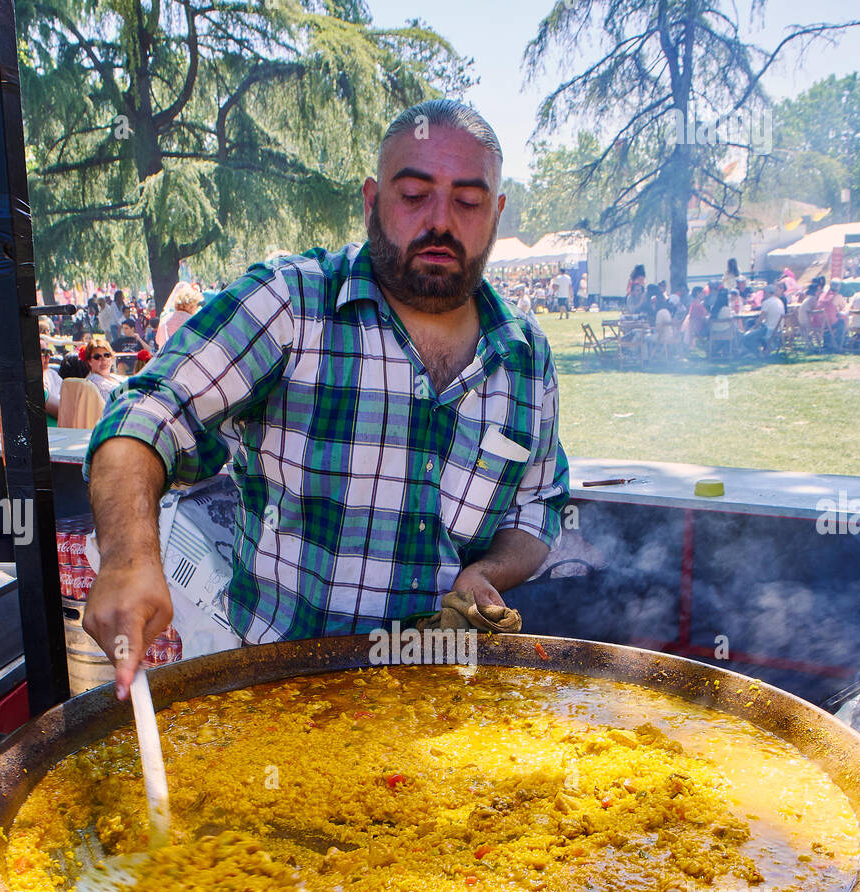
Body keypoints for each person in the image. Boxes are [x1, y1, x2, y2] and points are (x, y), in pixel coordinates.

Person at [82, 98, 570, 700]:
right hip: (280, 696)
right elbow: (148, 410)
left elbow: (536, 509)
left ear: (495, 213)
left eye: (468, 202)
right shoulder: (291, 303)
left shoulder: (526, 355)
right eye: (414, 195)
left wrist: (486, 573)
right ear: (371, 201)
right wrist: (127, 556)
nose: (441, 221)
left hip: (442, 704)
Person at [739, 282, 785, 356]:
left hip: (769, 329)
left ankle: (757, 353)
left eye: (764, 292)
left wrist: (752, 329)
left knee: (746, 337)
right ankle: (759, 350)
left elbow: (760, 319)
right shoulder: (779, 301)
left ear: (768, 293)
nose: (763, 294)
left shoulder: (767, 302)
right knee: (751, 325)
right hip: (778, 328)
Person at [155, 283, 203, 348]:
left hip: (167, 356)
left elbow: (158, 340)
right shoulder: (194, 322)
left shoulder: (165, 320)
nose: (197, 307)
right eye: (196, 305)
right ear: (191, 306)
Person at [82, 336, 120, 401]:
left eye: (107, 355)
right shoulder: (94, 385)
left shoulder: (116, 378)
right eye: (97, 357)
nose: (103, 360)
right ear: (89, 361)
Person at [40, 335, 61, 419]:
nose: (48, 356)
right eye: (43, 352)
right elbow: (62, 412)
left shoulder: (52, 374)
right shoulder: (32, 385)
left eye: (48, 352)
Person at [681, 286, 708, 350]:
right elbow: (703, 317)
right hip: (699, 329)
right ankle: (710, 350)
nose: (704, 294)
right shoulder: (698, 305)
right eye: (703, 293)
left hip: (694, 328)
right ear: (698, 293)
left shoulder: (693, 304)